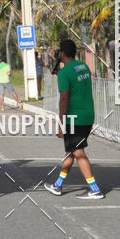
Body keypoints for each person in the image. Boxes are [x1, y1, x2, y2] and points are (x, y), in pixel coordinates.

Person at [44, 38, 104, 200]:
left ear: (62, 53)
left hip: (74, 118)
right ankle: (57, 185)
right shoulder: (83, 67)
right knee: (71, 152)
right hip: (88, 115)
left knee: (78, 152)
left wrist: (61, 124)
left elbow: (64, 99)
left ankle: (95, 189)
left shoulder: (64, 73)